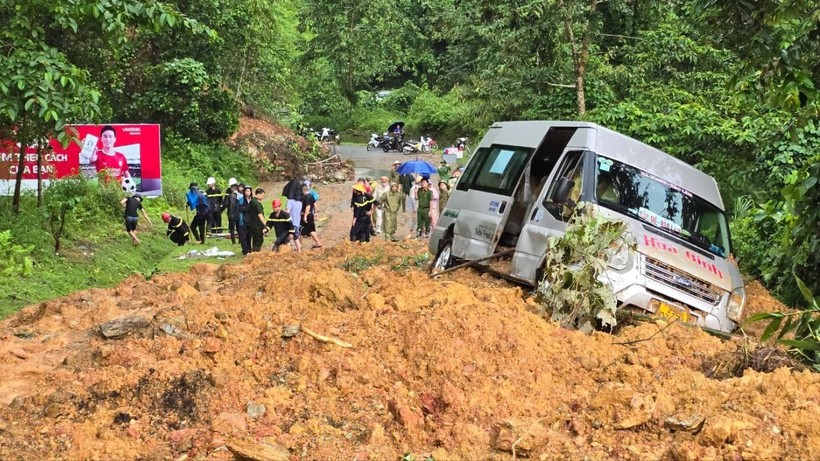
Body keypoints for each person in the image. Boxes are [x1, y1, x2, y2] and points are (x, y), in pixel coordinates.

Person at [282, 176, 304, 243]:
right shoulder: (300, 202)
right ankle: (299, 251)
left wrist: (282, 212)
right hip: (297, 222)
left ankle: (286, 250)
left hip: (290, 223)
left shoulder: (290, 201)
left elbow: (288, 211)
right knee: (296, 238)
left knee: (287, 238)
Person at [299, 183, 321, 249]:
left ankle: (299, 246)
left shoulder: (306, 197)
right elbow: (314, 204)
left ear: (302, 190)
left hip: (307, 216)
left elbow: (308, 206)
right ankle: (318, 243)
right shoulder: (311, 196)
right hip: (310, 215)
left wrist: (305, 216)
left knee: (301, 231)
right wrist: (315, 213)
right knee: (311, 230)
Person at [247, 187, 268, 252]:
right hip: (257, 225)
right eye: (262, 195)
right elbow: (260, 215)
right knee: (259, 240)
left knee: (255, 239)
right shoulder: (257, 203)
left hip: (251, 224)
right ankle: (256, 253)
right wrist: (265, 224)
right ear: (258, 194)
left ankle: (254, 251)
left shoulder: (251, 201)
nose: (263, 197)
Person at [224, 178, 240, 244]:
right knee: (238, 227)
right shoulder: (240, 192)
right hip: (237, 213)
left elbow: (226, 203)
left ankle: (234, 241)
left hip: (232, 213)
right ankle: (239, 240)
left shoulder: (230, 194)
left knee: (233, 228)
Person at [237, 185, 252, 255]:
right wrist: (248, 207)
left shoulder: (252, 200)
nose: (247, 192)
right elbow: (241, 209)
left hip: (250, 221)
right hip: (242, 220)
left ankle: (249, 249)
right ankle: (245, 250)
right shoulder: (241, 200)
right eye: (246, 191)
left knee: (249, 236)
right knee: (243, 237)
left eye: (249, 191)